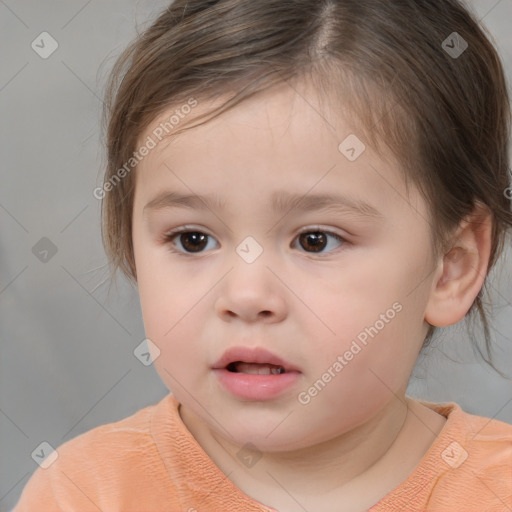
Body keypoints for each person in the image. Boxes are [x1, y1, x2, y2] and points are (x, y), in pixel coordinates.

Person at [13, 0, 512, 510]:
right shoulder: (86, 493)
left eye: (315, 240)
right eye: (193, 239)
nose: (246, 296)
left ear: (452, 266)